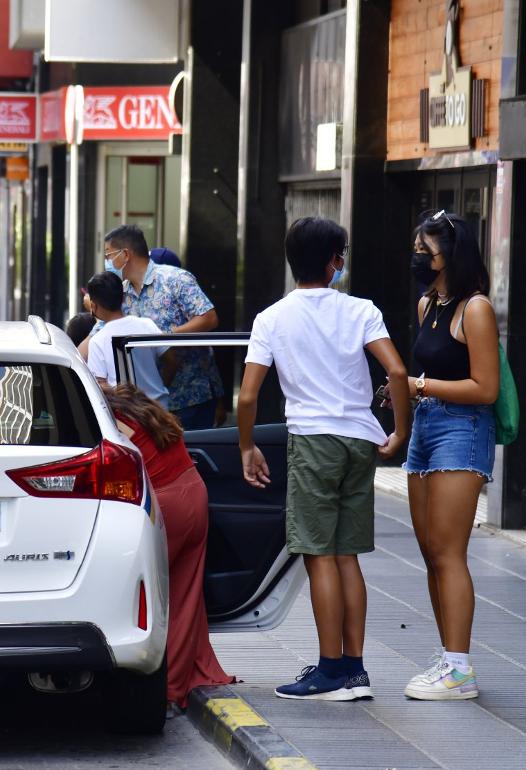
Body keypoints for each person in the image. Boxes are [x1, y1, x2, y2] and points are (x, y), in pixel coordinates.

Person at [238, 216, 410, 701]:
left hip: (313, 441)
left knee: (319, 557)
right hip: (360, 441)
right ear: (335, 261)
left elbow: (248, 396)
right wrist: (400, 432)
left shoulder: (272, 318)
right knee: (347, 554)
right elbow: (396, 370)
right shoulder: (361, 310)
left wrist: (247, 446)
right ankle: (353, 668)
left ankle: (331, 670)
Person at [401, 209, 498, 701]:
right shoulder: (428, 305)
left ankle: (460, 670)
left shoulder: (475, 309)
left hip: (462, 429)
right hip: (426, 426)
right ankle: (448, 656)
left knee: (447, 551)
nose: (419, 257)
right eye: (417, 248)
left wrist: (419, 384)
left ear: (450, 256)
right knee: (428, 552)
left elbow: (485, 388)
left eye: (427, 251)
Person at [101, 383, 233, 712]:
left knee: (151, 600)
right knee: (185, 595)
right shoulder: (142, 409)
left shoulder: (112, 421)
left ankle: (163, 686)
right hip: (193, 492)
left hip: (165, 505)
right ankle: (180, 681)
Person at [83, 224, 222, 430]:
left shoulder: (175, 280)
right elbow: (96, 337)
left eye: (109, 255)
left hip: (190, 395)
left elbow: (208, 318)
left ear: (126, 254)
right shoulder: (121, 293)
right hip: (148, 408)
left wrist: (164, 337)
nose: (107, 262)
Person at [83, 272, 171, 409]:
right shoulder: (147, 325)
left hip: (128, 415)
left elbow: (100, 386)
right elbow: (172, 360)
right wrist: (161, 386)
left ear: (93, 306)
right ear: (123, 298)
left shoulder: (98, 340)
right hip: (159, 407)